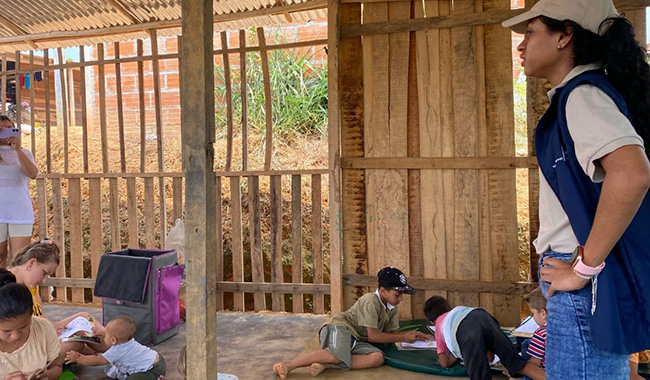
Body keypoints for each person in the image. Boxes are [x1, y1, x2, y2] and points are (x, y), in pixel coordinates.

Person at [502, 0, 650, 378]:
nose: (520, 46)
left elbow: (632, 174)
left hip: (579, 274)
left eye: (530, 32)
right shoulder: (582, 96)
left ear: (565, 35)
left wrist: (583, 268)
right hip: (577, 271)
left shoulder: (582, 97)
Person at [272, 267, 431, 379]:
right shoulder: (370, 301)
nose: (400, 299)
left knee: (377, 358)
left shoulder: (391, 307)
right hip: (340, 328)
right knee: (336, 354)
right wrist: (403, 337)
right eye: (397, 294)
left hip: (356, 340)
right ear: (383, 291)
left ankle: (326, 365)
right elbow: (374, 336)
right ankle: (289, 364)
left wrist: (409, 336)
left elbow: (389, 335)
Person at [9, 239, 110, 360]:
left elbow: (41, 316)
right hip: (29, 346)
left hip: (45, 334)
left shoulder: (31, 285)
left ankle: (120, 344)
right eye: (44, 273)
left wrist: (53, 325)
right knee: (76, 344)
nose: (44, 280)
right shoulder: (8, 287)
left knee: (84, 317)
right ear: (31, 263)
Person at [424, 295, 544, 380]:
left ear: (432, 322)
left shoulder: (439, 325)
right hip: (483, 316)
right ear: (448, 308)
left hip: (467, 330)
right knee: (517, 364)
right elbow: (490, 357)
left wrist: (458, 352)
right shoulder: (459, 310)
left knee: (480, 376)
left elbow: (444, 363)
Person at [0, 268, 63, 380]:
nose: (16, 336)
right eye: (6, 331)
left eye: (24, 326)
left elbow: (56, 366)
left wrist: (47, 375)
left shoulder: (43, 328)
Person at [64, 316, 165, 380]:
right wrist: (102, 333)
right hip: (157, 359)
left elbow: (97, 360)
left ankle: (156, 378)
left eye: (106, 334)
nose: (104, 335)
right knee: (111, 367)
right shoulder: (127, 341)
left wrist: (78, 358)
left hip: (150, 370)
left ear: (113, 340)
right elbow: (113, 337)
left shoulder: (116, 351)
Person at [0, 115, 39, 267]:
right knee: (1, 256)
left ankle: (18, 289)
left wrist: (18, 149)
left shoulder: (25, 153)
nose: (5, 132)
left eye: (9, 128)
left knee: (20, 258)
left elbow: (33, 174)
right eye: (1, 129)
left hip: (19, 211)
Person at [509, 288, 547, 380]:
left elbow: (534, 364)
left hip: (546, 374)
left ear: (543, 313)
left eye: (533, 313)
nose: (533, 317)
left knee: (526, 343)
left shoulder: (541, 333)